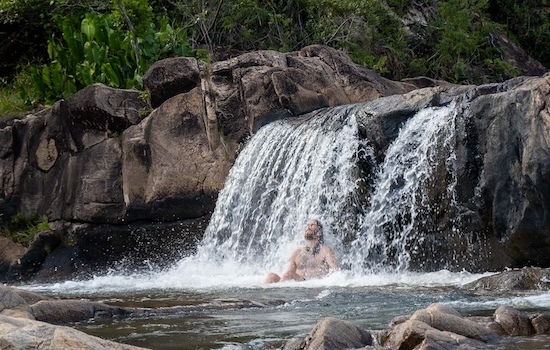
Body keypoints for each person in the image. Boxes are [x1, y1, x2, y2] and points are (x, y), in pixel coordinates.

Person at [264, 219, 339, 283]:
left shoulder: (325, 250)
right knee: (271, 276)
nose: (308, 227)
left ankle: (277, 295)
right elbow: (288, 272)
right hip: (297, 284)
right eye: (307, 225)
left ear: (319, 232)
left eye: (312, 225)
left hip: (313, 284)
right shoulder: (297, 252)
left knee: (289, 274)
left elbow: (336, 271)